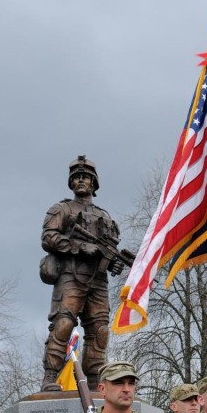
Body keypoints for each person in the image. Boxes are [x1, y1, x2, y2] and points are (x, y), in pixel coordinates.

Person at [40, 156, 127, 392]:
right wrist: (79, 247)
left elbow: (109, 248)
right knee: (64, 323)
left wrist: (113, 264)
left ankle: (94, 381)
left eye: (86, 178)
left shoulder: (105, 216)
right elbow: (48, 237)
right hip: (71, 275)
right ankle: (50, 377)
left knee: (100, 330)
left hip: (98, 281)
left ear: (94, 184)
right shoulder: (62, 209)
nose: (81, 181)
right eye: (77, 177)